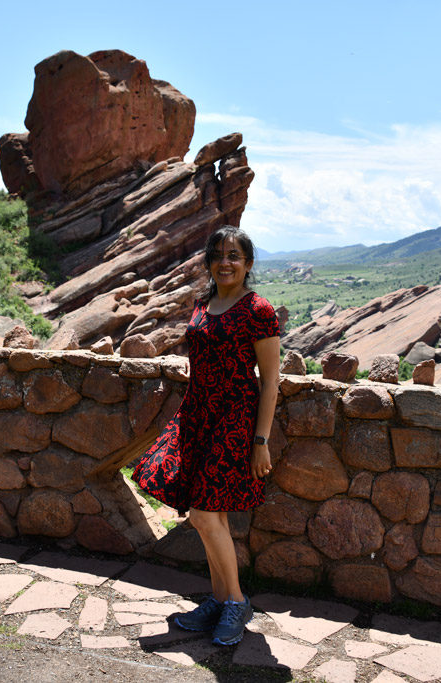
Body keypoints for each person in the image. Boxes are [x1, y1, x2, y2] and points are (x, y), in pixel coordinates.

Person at [133, 225, 281, 646]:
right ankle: (220, 601)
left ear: (248, 263)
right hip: (198, 416)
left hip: (235, 421)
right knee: (208, 515)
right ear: (209, 262)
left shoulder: (258, 310)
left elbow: (270, 381)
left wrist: (261, 440)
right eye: (217, 254)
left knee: (203, 513)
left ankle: (235, 601)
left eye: (234, 255)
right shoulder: (203, 304)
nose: (225, 261)